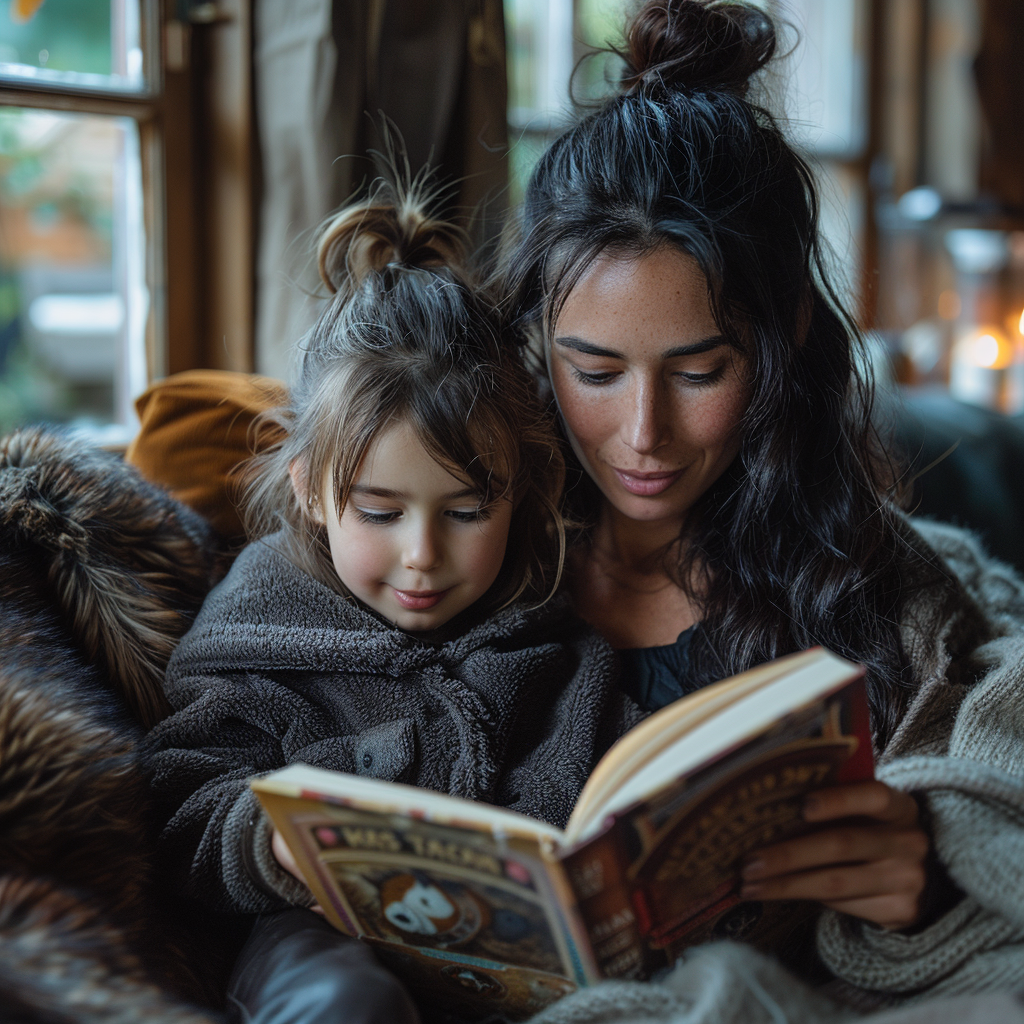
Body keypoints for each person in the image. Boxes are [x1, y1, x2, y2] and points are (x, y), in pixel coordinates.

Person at [499, 0, 1024, 1011]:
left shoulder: (877, 585)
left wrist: (926, 892)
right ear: (535, 340)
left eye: (700, 370)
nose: (643, 433)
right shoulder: (452, 545)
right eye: (594, 371)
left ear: (781, 339)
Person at [145, 185, 637, 1023]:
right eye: (379, 513)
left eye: (467, 511)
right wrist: (266, 843)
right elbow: (176, 800)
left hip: (517, 965)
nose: (421, 555)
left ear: (519, 493)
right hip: (319, 934)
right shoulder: (260, 627)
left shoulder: (550, 633)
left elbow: (608, 774)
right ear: (308, 491)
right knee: (343, 1003)